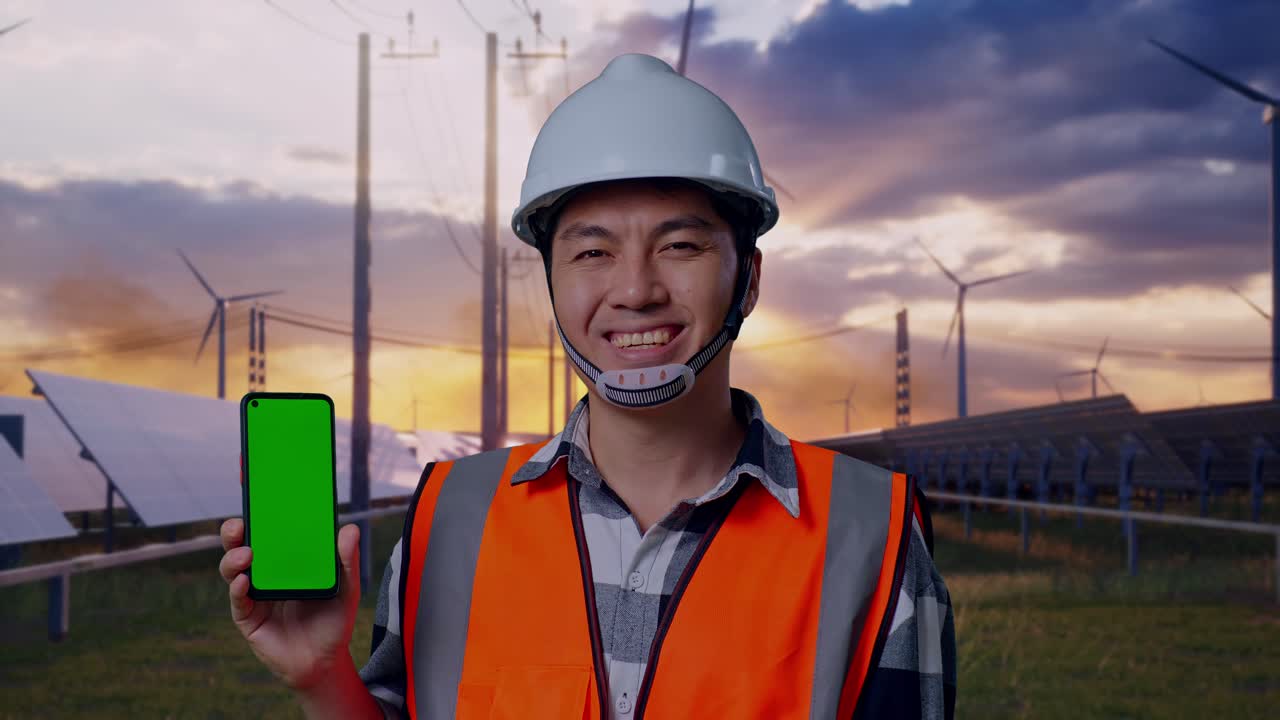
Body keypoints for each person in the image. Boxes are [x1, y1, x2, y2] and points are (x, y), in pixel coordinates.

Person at [219, 53, 955, 719]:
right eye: (592, 250)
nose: (634, 289)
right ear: (550, 283)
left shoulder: (873, 538)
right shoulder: (449, 521)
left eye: (681, 245)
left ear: (749, 279)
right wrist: (323, 677)